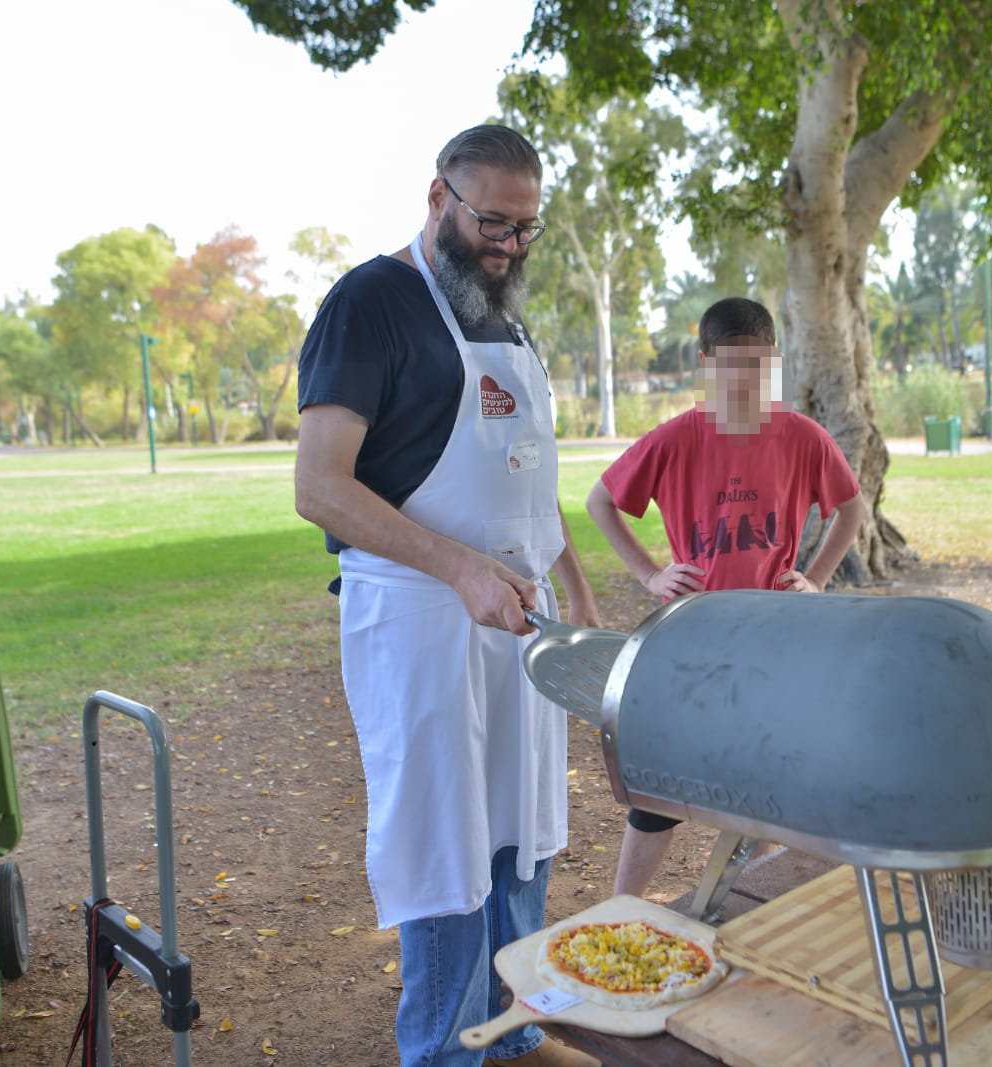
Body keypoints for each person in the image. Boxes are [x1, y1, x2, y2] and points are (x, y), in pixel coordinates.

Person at [294, 125, 600, 1067]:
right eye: (492, 222)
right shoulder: (371, 302)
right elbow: (320, 486)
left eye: (525, 229)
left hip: (520, 617)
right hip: (421, 624)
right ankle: (444, 1051)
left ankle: (514, 1031)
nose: (508, 246)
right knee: (448, 848)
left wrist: (579, 594)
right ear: (439, 199)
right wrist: (459, 567)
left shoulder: (501, 314)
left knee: (522, 830)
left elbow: (527, 479)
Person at [586, 296, 868, 898]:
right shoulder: (677, 439)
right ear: (706, 362)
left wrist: (814, 579)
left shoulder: (800, 436)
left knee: (763, 786)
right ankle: (619, 910)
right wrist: (649, 575)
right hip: (692, 643)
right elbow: (600, 503)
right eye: (731, 364)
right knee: (660, 788)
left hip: (774, 643)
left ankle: (749, 910)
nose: (744, 379)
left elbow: (851, 509)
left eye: (758, 365)